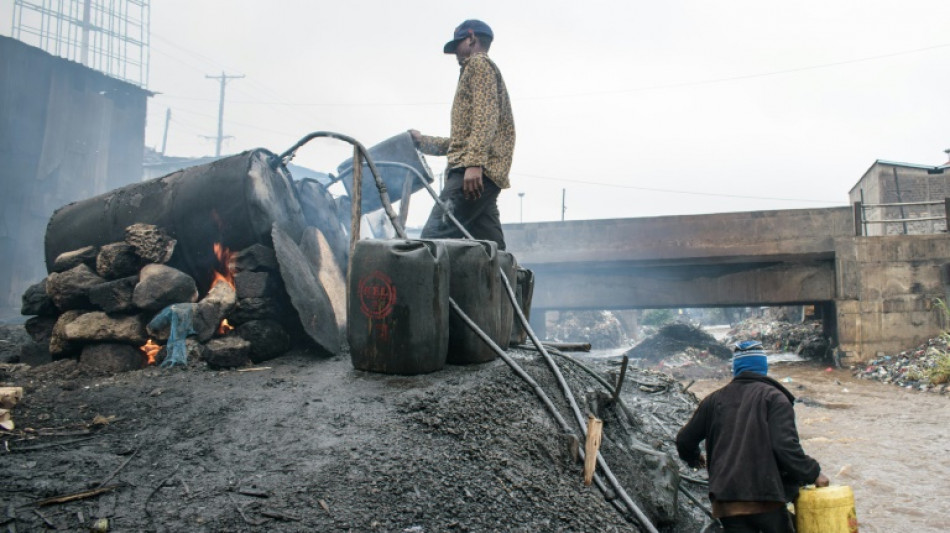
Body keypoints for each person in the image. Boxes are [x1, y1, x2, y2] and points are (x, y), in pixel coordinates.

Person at [676, 340, 830, 533]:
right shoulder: (775, 398)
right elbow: (785, 447)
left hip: (726, 501)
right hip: (765, 497)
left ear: (736, 368)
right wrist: (813, 473)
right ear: (763, 367)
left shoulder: (713, 400)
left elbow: (684, 440)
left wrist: (694, 459)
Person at [409, 19, 515, 250]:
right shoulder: (479, 70)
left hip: (472, 173)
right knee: (491, 250)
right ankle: (502, 275)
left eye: (457, 44)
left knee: (431, 241)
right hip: (482, 174)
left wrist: (474, 164)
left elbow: (485, 117)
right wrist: (422, 142)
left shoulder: (478, 65)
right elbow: (462, 142)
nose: (456, 52)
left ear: (471, 39)